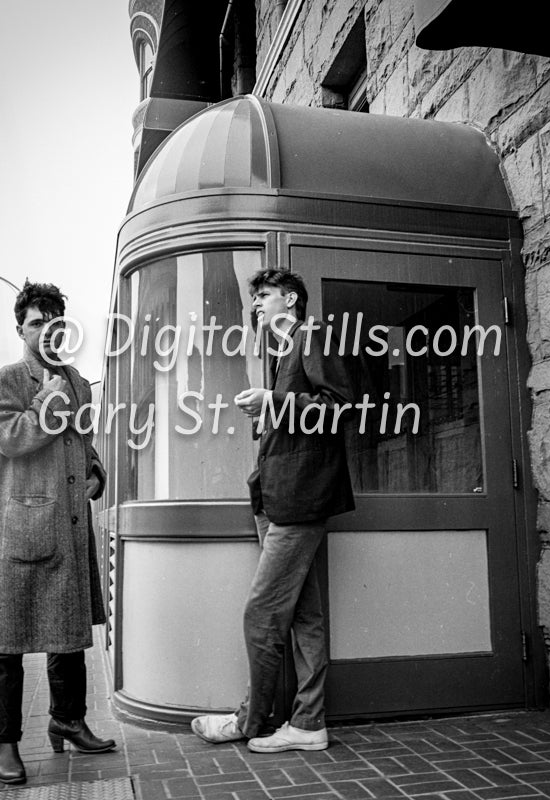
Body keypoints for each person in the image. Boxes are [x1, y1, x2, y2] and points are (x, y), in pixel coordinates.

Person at [191, 269, 354, 753]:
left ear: (291, 298)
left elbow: (340, 406)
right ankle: (308, 724)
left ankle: (250, 721)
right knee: (305, 617)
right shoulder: (286, 350)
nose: (256, 305)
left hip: (300, 501)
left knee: (260, 613)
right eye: (254, 298)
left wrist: (274, 400)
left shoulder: (311, 335)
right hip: (279, 497)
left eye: (263, 296)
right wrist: (270, 413)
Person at [0, 281, 116, 785]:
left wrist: (96, 475)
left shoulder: (79, 384)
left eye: (53, 323)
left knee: (69, 638)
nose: (46, 331)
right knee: (7, 643)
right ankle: (4, 742)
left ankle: (69, 720)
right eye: (36, 322)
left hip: (69, 527)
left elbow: (86, 445)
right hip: (22, 530)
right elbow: (10, 438)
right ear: (21, 329)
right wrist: (50, 402)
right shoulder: (9, 380)